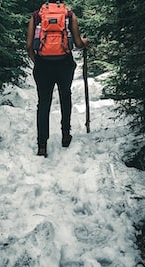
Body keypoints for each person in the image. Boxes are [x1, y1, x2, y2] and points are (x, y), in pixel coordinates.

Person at [26, 0, 89, 157]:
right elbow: (78, 43)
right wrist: (86, 42)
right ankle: (66, 135)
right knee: (65, 96)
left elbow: (28, 45)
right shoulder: (69, 15)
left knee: (43, 103)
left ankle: (42, 146)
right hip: (64, 63)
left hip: (43, 64)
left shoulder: (36, 16)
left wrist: (37, 61)